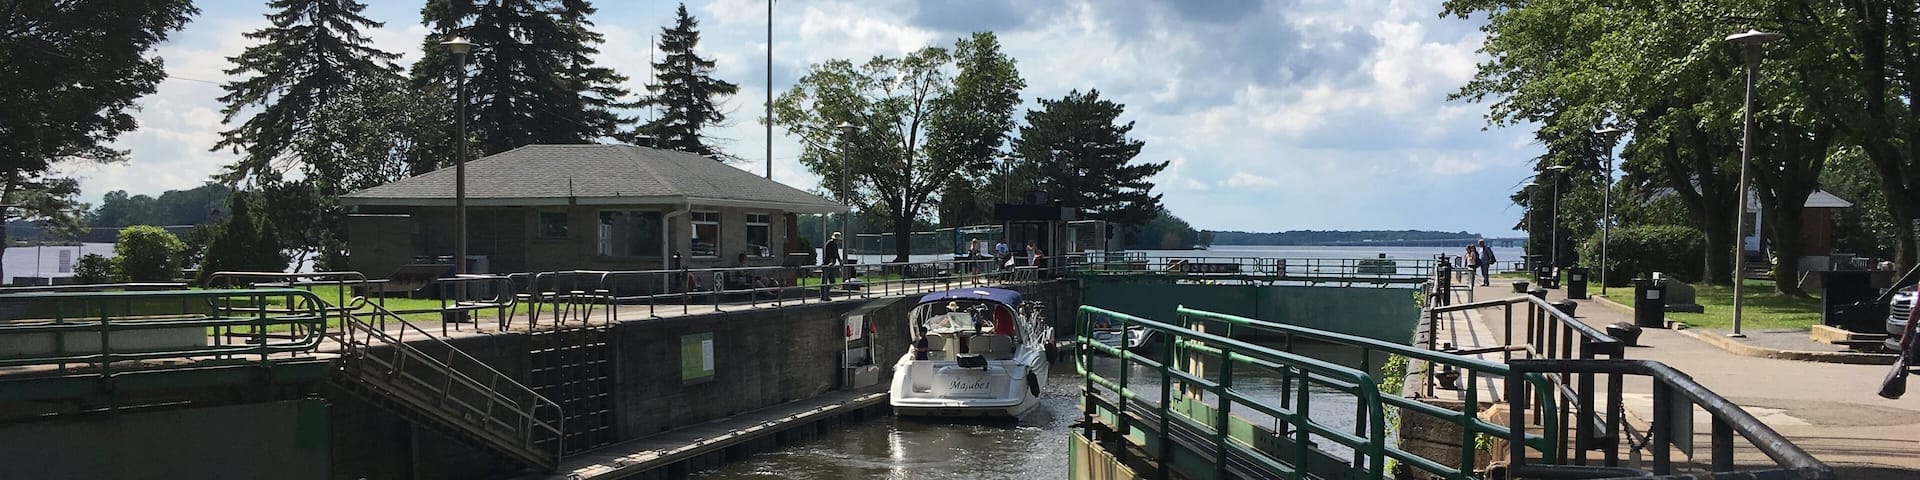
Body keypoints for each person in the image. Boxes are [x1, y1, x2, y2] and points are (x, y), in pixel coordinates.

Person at [821, 232, 844, 299]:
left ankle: (826, 294)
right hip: (827, 265)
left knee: (832, 282)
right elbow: (829, 254)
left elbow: (836, 254)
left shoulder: (835, 245)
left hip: (832, 265)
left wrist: (840, 262)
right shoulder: (829, 243)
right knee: (824, 282)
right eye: (836, 239)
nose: (837, 241)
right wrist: (830, 262)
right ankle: (823, 296)